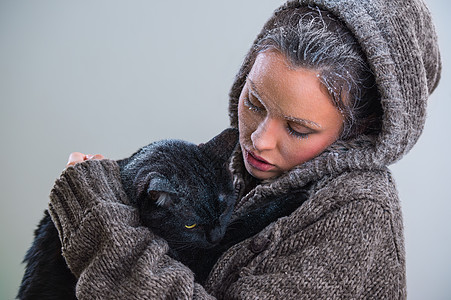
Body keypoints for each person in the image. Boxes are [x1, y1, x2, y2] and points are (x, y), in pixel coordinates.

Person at [48, 0, 441, 299]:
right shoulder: (235, 166)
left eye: (298, 128)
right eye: (254, 103)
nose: (258, 139)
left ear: (359, 129)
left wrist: (96, 224)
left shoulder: (358, 215)